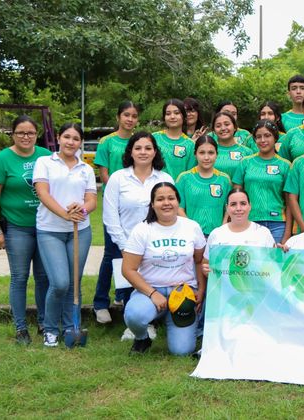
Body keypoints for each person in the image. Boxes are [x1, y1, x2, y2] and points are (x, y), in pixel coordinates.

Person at [0, 115, 51, 344]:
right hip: (16, 227)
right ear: (12, 134)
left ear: (36, 135)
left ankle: (44, 323)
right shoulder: (2, 159)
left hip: (45, 226)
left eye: (30, 132)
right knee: (20, 277)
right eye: (20, 132)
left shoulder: (46, 156)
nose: (26, 136)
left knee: (43, 277)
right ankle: (21, 328)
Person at [99, 131, 173, 334]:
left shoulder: (164, 178)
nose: (143, 152)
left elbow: (170, 211)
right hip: (124, 242)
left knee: (152, 282)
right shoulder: (118, 178)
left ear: (155, 152)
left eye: (148, 148)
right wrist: (124, 246)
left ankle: (152, 322)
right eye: (138, 148)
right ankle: (132, 325)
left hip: (155, 243)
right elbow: (110, 215)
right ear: (130, 151)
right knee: (127, 285)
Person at [122, 182, 206, 355]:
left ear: (178, 202)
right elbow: (128, 269)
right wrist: (153, 293)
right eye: (160, 199)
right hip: (150, 290)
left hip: (183, 291)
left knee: (182, 351)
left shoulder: (191, 227)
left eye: (171, 198)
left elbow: (199, 261)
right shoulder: (142, 230)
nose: (166, 203)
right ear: (152, 204)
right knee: (134, 315)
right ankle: (142, 338)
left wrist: (201, 289)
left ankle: (173, 322)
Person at [33, 123, 97, 347]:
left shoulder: (86, 168)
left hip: (80, 231)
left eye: (76, 138)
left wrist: (82, 210)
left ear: (80, 143)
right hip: (50, 230)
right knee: (60, 282)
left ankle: (71, 327)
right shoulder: (45, 162)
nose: (71, 142)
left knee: (74, 282)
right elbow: (42, 193)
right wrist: (64, 214)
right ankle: (50, 329)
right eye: (67, 137)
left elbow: (91, 200)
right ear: (59, 138)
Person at [93, 101, 140, 322]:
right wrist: (118, 196)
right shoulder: (107, 142)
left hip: (135, 205)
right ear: (118, 117)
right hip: (115, 205)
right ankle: (100, 302)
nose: (130, 119)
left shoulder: (138, 141)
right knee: (112, 254)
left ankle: (123, 297)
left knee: (133, 254)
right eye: (126, 115)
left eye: (134, 116)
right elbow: (104, 174)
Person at [232, 120, 292, 244]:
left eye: (267, 135)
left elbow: (289, 202)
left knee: (274, 257)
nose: (263, 140)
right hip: (249, 222)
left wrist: (287, 234)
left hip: (277, 224)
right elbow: (236, 197)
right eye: (258, 137)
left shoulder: (285, 165)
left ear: (275, 138)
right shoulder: (245, 162)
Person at [176, 136, 232, 237]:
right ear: (195, 154)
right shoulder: (184, 178)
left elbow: (228, 207)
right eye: (202, 153)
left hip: (218, 236)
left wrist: (222, 229)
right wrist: (192, 229)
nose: (206, 157)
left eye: (211, 153)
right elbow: (179, 208)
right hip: (191, 235)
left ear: (217, 154)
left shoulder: (224, 179)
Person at [203, 189, 276, 264]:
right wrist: (206, 268)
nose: (238, 208)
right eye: (233, 204)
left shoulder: (263, 233)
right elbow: (206, 263)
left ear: (250, 206)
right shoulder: (216, 234)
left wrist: (282, 254)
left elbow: (274, 264)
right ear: (227, 208)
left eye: (243, 204)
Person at [153, 98, 195, 179]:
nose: (172, 117)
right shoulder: (154, 138)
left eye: (176, 113)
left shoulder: (190, 144)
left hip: (179, 187)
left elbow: (190, 175)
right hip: (155, 185)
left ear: (184, 116)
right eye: (168, 114)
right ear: (164, 117)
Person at [210, 111, 253, 180]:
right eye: (218, 126)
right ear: (214, 130)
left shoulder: (247, 152)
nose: (223, 128)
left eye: (227, 124)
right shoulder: (209, 152)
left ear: (235, 127)